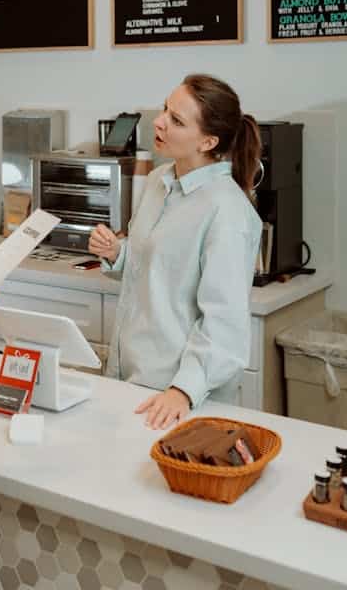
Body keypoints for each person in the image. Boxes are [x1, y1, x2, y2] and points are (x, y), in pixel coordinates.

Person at [89, 74, 262, 431]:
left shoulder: (227, 211)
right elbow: (155, 272)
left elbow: (224, 324)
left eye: (177, 120)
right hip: (129, 380)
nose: (159, 121)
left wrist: (182, 391)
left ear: (208, 141)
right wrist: (117, 253)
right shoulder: (158, 182)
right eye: (166, 108)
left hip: (179, 399)